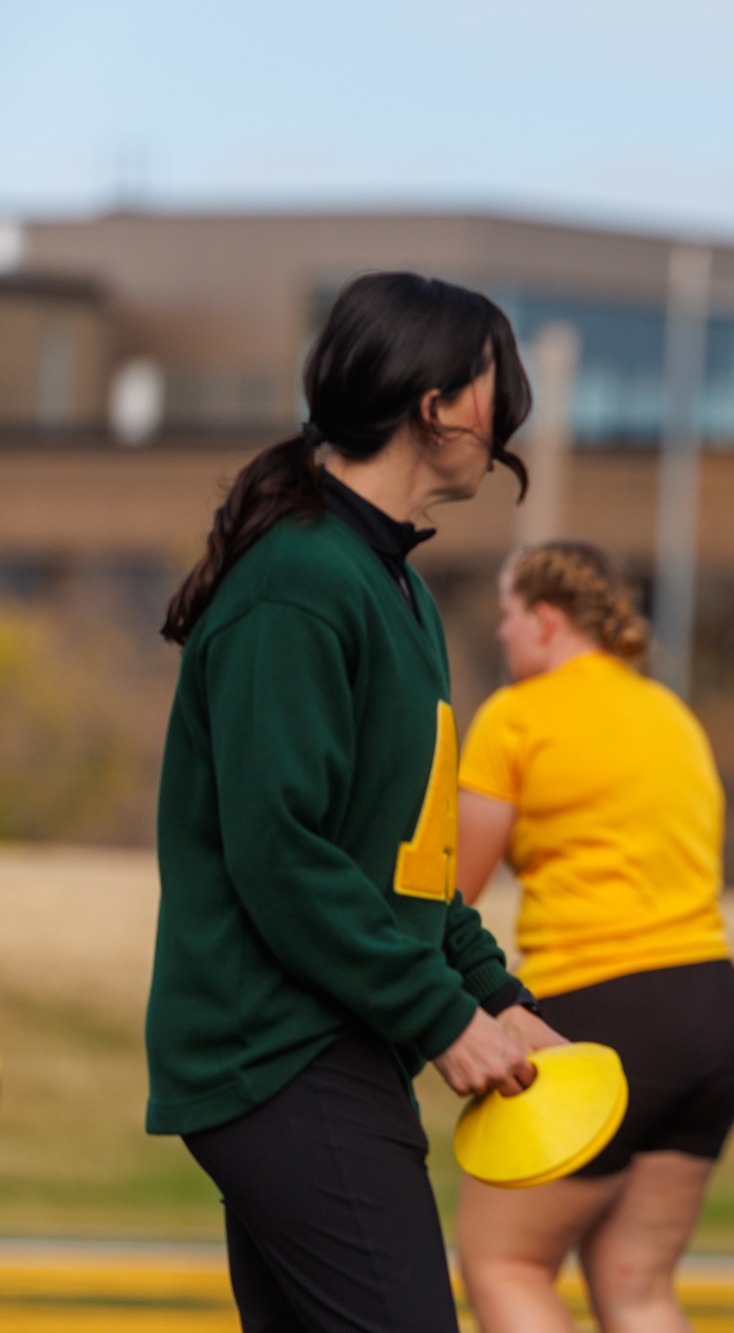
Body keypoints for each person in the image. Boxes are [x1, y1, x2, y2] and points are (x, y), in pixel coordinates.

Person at [150, 271, 566, 1332]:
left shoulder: (394, 587)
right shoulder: (298, 580)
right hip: (279, 1051)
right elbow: (282, 853)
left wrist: (492, 994)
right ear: (433, 406)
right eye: (490, 385)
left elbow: (406, 857)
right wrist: (439, 1018)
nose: (506, 412)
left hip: (334, 1042)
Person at [454, 541, 734, 1333]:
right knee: (637, 1281)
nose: (503, 635)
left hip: (602, 1005)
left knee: (503, 1260)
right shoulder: (671, 713)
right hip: (713, 1010)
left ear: (546, 620)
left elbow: (448, 894)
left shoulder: (516, 715)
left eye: (509, 616)